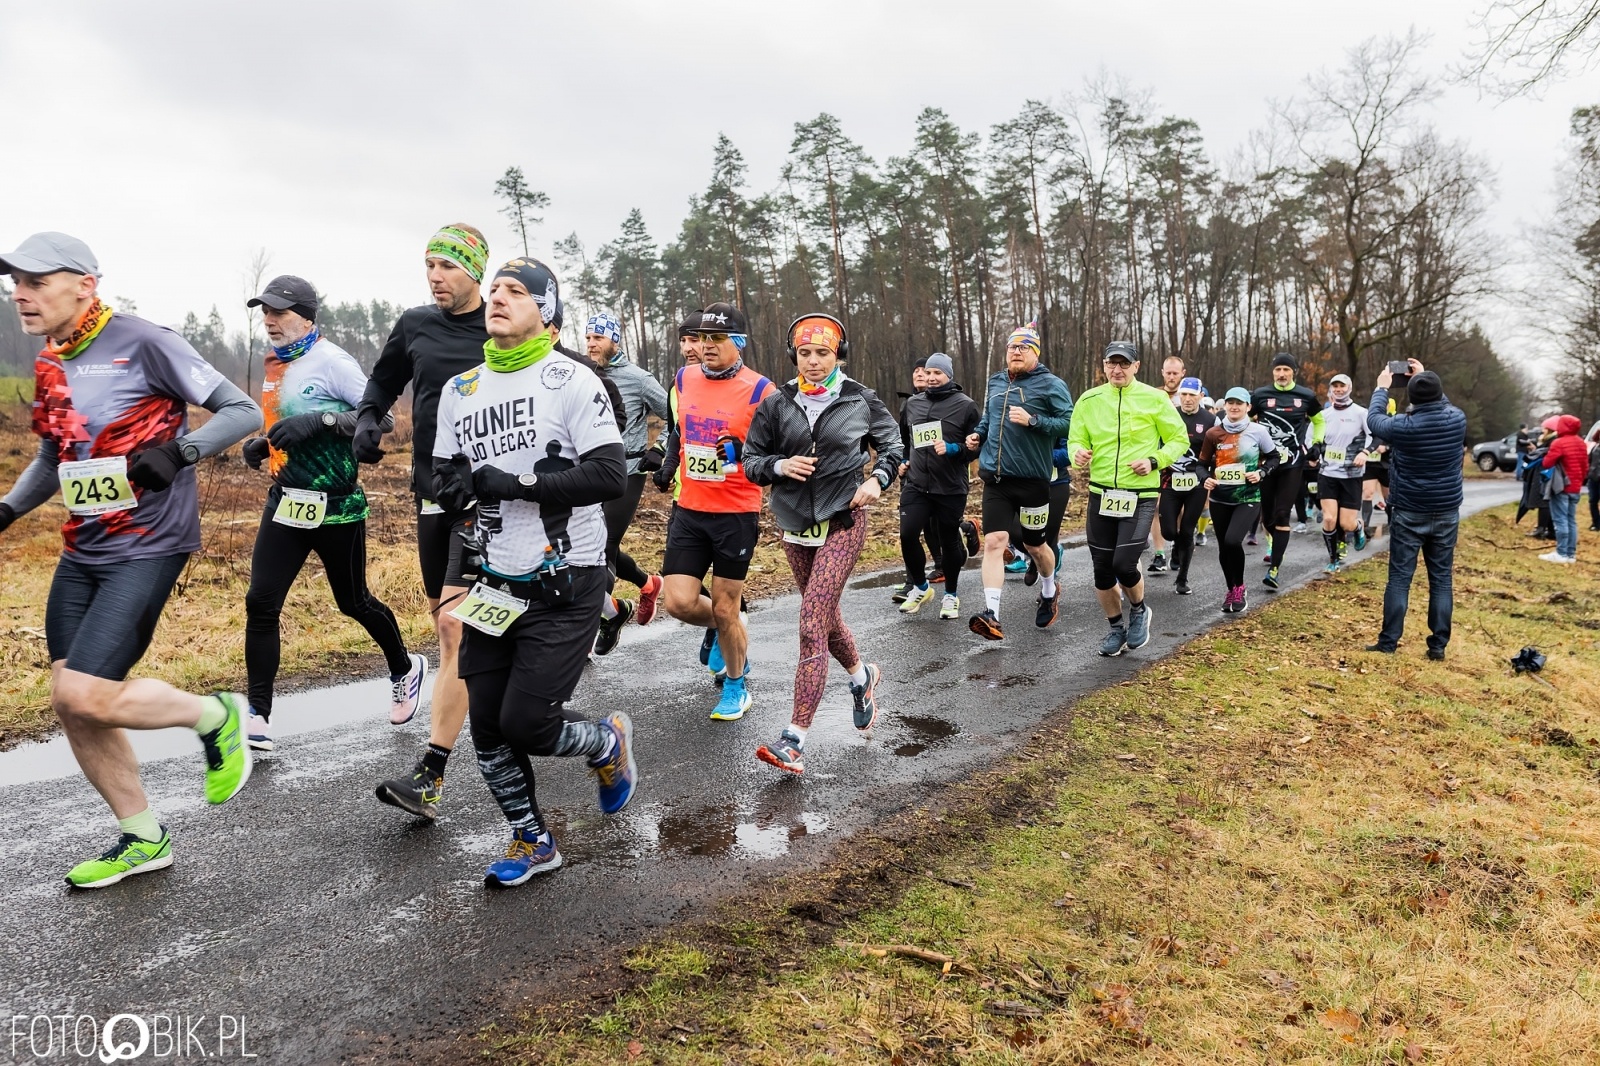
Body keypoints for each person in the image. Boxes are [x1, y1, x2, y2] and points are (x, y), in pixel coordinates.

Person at [0, 232, 261, 887]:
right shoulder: (53, 361)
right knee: (73, 702)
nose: (19, 294)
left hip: (148, 544)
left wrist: (181, 452)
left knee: (80, 689)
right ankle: (143, 836)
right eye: (16, 283)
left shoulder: (146, 341)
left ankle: (217, 716)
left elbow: (243, 409)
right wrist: (6, 511)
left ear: (85, 284)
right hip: (85, 546)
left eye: (35, 281)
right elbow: (53, 458)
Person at [430, 255, 635, 886]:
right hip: (495, 585)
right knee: (489, 730)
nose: (497, 298)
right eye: (494, 289)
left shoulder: (571, 381)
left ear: (546, 311)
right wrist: (457, 491)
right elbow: (439, 480)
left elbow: (609, 474)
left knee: (530, 724)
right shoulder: (460, 391)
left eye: (516, 291)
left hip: (566, 581)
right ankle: (532, 839)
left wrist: (517, 482)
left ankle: (606, 744)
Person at [238, 276, 425, 752]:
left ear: (306, 316)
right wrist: (265, 443)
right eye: (265, 313)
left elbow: (380, 419)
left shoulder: (333, 361)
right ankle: (258, 715)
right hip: (286, 500)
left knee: (354, 602)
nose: (269, 321)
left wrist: (318, 421)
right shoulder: (274, 363)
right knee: (261, 603)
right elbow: (284, 424)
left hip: (335, 507)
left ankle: (405, 667)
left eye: (278, 312)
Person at [355, 223, 491, 820]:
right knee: (449, 628)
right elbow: (384, 379)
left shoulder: (504, 325)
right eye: (429, 265)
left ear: (476, 272)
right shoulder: (415, 324)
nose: (435, 276)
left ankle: (436, 766)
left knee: (469, 631)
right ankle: (442, 768)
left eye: (447, 266)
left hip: (496, 501)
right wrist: (368, 416)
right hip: (435, 495)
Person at [743, 314, 901, 773]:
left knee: (811, 620)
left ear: (838, 354)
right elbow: (752, 460)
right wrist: (778, 466)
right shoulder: (777, 404)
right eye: (805, 353)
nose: (813, 362)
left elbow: (894, 448)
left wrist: (879, 479)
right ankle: (862, 676)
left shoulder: (860, 400)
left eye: (823, 353)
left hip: (843, 520)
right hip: (794, 524)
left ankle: (794, 738)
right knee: (826, 617)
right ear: (794, 355)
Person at [657, 302, 773, 719]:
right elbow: (677, 432)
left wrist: (746, 454)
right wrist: (669, 463)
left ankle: (737, 687)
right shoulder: (683, 379)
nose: (706, 346)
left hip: (736, 512)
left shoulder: (762, 391)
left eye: (717, 338)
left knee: (726, 607)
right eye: (702, 338)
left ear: (738, 343)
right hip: (690, 508)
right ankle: (729, 635)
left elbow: (777, 454)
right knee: (679, 602)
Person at [1067, 341, 1189, 655]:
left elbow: (1179, 439)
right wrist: (1076, 452)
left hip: (1141, 493)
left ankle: (1139, 609)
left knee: (1124, 562)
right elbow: (1075, 437)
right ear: (1104, 366)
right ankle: (1115, 629)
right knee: (1102, 570)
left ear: (1136, 366)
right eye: (1112, 364)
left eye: (1124, 364)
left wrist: (1154, 460)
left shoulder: (1154, 398)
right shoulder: (1089, 399)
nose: (1117, 370)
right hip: (1101, 493)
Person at [964, 322, 1074, 640]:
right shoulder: (996, 381)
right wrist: (977, 436)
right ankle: (992, 614)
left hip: (1033, 480)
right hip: (997, 479)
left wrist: (1034, 420)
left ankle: (1050, 590)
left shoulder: (1051, 384)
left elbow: (1069, 423)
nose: (1015, 352)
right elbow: (988, 419)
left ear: (1035, 353)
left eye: (1022, 347)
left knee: (1035, 545)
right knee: (995, 542)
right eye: (1011, 347)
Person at [1364, 360, 1467, 660]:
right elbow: (1439, 401)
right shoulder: (1457, 419)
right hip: (1446, 510)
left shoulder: (1402, 428)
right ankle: (1437, 647)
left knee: (1399, 578)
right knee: (1441, 579)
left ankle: (1388, 643)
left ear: (1413, 398)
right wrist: (1422, 378)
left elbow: (1374, 420)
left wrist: (1382, 389)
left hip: (1409, 510)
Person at [584, 312, 670, 643]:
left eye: (598, 338)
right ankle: (648, 584)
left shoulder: (639, 378)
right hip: (590, 473)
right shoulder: (582, 372)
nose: (591, 344)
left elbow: (676, 416)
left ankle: (599, 626)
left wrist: (659, 449)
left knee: (601, 544)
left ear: (614, 340)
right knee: (585, 542)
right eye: (589, 338)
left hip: (627, 473)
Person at [895, 352, 980, 618]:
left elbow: (975, 449)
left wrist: (954, 449)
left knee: (948, 541)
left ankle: (951, 596)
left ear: (948, 376)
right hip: (917, 484)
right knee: (908, 534)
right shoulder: (912, 405)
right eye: (928, 372)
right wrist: (904, 461)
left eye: (937, 373)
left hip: (950, 486)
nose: (931, 377)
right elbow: (905, 441)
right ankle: (921, 587)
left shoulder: (966, 406)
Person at [1197, 388, 1279, 613]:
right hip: (1220, 498)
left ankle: (1240, 587)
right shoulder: (1214, 433)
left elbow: (1274, 457)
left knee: (1233, 541)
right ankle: (1231, 590)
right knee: (1224, 547)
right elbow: (1201, 465)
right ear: (1225, 405)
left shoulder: (1258, 431)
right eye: (1230, 402)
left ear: (1248, 407)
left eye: (1239, 403)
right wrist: (1205, 479)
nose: (1234, 407)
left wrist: (1260, 473)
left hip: (1248, 497)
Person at [1251, 353, 1324, 590]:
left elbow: (1319, 420)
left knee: (1283, 514)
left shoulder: (1306, 396)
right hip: (1265, 464)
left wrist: (1318, 444)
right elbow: (1247, 419)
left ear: (1294, 372)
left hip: (1293, 464)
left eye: (1286, 369)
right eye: (1278, 369)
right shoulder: (1260, 395)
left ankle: (1274, 569)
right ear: (1272, 372)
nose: (1281, 374)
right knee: (1268, 516)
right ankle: (1273, 542)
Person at [1157, 377, 1216, 595]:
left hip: (1197, 482)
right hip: (1171, 479)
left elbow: (1217, 449)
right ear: (1177, 396)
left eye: (1192, 395)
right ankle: (1174, 547)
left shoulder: (1210, 420)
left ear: (1201, 396)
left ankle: (1182, 579)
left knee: (1187, 531)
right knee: (1170, 531)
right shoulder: (1168, 416)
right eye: (1183, 395)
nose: (1188, 399)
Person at [1316, 373, 1370, 574]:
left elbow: (1373, 436)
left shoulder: (1361, 413)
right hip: (1327, 473)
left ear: (1349, 388)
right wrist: (1313, 452)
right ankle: (1333, 559)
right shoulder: (1323, 415)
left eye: (1342, 386)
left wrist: (1365, 452)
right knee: (1329, 519)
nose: (1338, 389)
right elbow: (1312, 438)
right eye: (1335, 386)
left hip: (1351, 474)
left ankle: (1357, 528)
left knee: (1345, 523)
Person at [1147, 355, 1187, 572]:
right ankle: (1159, 554)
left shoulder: (1188, 396)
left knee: (1178, 508)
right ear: (1162, 372)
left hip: (1182, 461)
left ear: (1183, 373)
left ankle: (1178, 547)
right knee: (1155, 507)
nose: (1171, 377)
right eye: (1168, 373)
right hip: (1158, 460)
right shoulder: (1152, 395)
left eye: (1175, 373)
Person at [1540, 414, 1588, 563]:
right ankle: (1571, 554)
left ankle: (1561, 553)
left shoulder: (1559, 443)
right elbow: (1585, 466)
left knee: (1560, 520)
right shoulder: (1581, 443)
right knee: (1571, 520)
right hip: (1575, 487)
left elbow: (1547, 463)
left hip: (1561, 487)